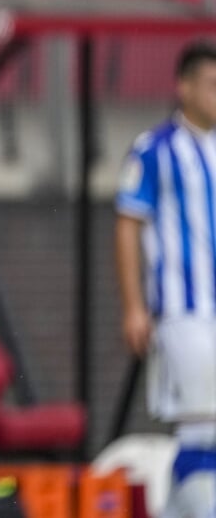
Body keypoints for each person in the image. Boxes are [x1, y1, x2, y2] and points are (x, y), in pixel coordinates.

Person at [114, 39, 216, 518]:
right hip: (183, 312)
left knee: (202, 431)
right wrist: (135, 306)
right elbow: (128, 223)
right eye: (212, 85)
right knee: (204, 425)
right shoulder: (155, 150)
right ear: (184, 87)